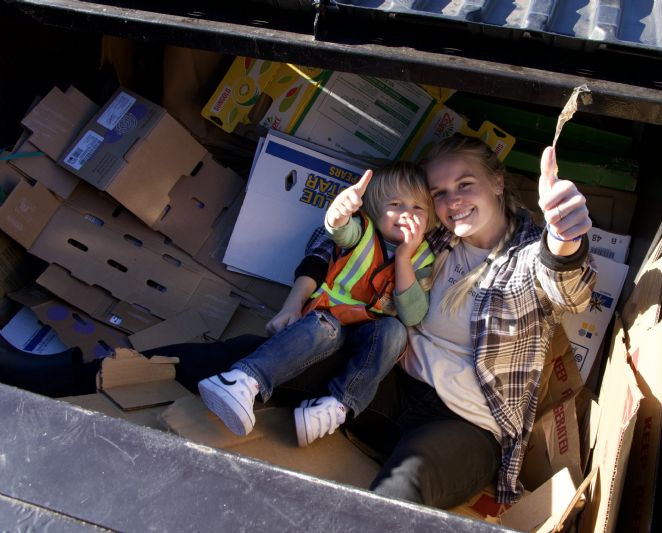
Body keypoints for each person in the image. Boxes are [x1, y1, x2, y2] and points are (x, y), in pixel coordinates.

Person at [312, 135, 598, 507]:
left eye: (465, 184)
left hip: (464, 427)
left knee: (402, 487)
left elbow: (569, 289)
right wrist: (337, 222)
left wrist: (563, 237)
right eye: (440, 193)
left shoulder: (529, 254)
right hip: (383, 385)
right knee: (268, 357)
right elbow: (348, 240)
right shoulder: (430, 235)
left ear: (497, 182)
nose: (453, 201)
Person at [197, 161, 435, 447]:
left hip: (369, 337)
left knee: (395, 332)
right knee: (322, 328)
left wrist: (404, 258)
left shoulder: (423, 259)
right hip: (329, 319)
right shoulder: (363, 230)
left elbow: (412, 315)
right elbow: (339, 230)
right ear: (375, 208)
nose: (407, 214)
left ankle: (333, 407)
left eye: (418, 208)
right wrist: (340, 211)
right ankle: (242, 380)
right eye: (395, 204)